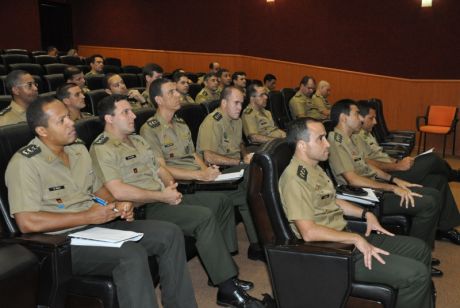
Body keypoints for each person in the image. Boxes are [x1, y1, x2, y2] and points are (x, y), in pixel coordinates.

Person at [5, 96, 197, 308]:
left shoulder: (77, 150)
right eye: (62, 121)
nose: (71, 123)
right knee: (130, 255)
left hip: (96, 225)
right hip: (61, 242)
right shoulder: (25, 164)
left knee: (169, 234)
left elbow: (99, 191)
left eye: (69, 117)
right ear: (42, 131)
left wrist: (119, 202)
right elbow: (27, 222)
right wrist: (88, 216)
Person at [89, 94, 262, 307]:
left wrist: (170, 184)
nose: (133, 115)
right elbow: (117, 190)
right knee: (203, 217)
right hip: (143, 208)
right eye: (126, 112)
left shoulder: (137, 140)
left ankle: (220, 270)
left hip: (162, 197)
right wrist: (162, 195)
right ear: (109, 118)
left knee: (220, 202)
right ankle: (226, 288)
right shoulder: (103, 147)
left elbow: (159, 169)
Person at [279, 117, 433, 308]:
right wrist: (355, 239)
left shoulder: (314, 168)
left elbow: (332, 200)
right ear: (302, 145)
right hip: (333, 252)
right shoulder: (295, 179)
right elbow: (308, 232)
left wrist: (365, 214)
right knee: (416, 274)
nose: (327, 143)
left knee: (420, 249)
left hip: (346, 236)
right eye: (320, 139)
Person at [327, 100, 441, 254]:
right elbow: (352, 180)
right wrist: (392, 188)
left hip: (374, 185)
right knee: (429, 203)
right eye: (356, 113)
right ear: (343, 118)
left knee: (434, 194)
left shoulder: (350, 138)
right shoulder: (336, 141)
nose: (361, 118)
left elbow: (368, 167)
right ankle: (417, 253)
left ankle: (422, 252)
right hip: (364, 196)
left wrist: (394, 179)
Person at [140, 78, 238, 253]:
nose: (178, 95)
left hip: (197, 178)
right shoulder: (149, 129)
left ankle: (227, 253)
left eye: (177, 91)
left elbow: (193, 155)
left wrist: (206, 171)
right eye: (172, 92)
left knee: (227, 197)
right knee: (220, 202)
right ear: (159, 100)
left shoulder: (180, 123)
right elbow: (161, 168)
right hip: (181, 183)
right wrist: (199, 176)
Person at [355, 101, 460, 244]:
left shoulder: (367, 133)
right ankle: (454, 175)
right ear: (359, 117)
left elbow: (379, 156)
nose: (375, 122)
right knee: (432, 159)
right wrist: (397, 166)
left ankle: (443, 229)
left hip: (393, 167)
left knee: (438, 180)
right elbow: (367, 163)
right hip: (386, 177)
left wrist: (398, 161)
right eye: (371, 118)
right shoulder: (356, 136)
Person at [196, 86, 263, 261]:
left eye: (242, 103)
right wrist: (241, 162)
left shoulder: (237, 119)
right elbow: (209, 157)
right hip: (217, 174)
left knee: (253, 182)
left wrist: (245, 155)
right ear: (224, 103)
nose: (240, 107)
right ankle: (257, 243)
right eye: (236, 103)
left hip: (235, 170)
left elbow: (240, 143)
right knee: (250, 184)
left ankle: (259, 243)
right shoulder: (212, 121)